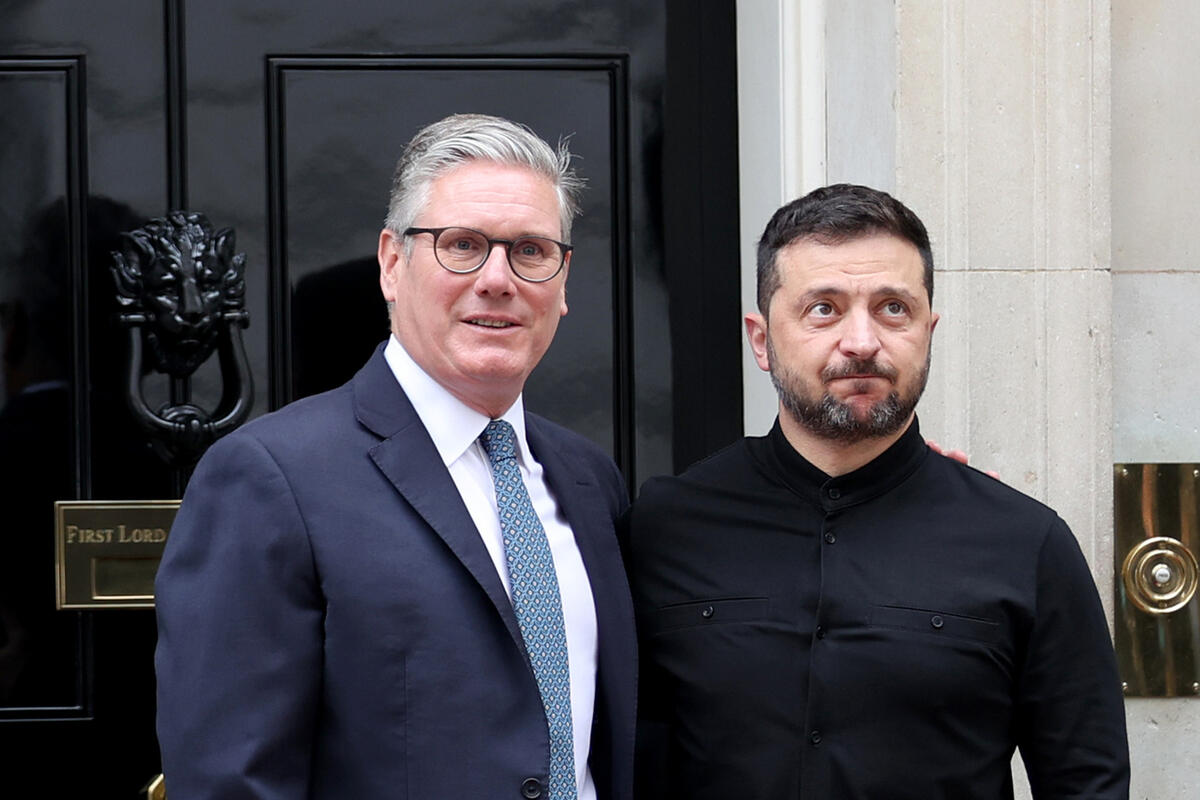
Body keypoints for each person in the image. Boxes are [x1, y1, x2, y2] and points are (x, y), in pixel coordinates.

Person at [155, 114, 636, 800]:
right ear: (392, 263)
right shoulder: (269, 477)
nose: (497, 279)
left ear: (562, 283)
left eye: (531, 251)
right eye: (462, 245)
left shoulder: (589, 480)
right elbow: (230, 781)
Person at [625, 184, 1130, 800]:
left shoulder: (1026, 543)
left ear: (928, 332)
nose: (862, 342)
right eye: (824, 309)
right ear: (761, 340)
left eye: (893, 308)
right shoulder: (665, 527)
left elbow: (1087, 782)